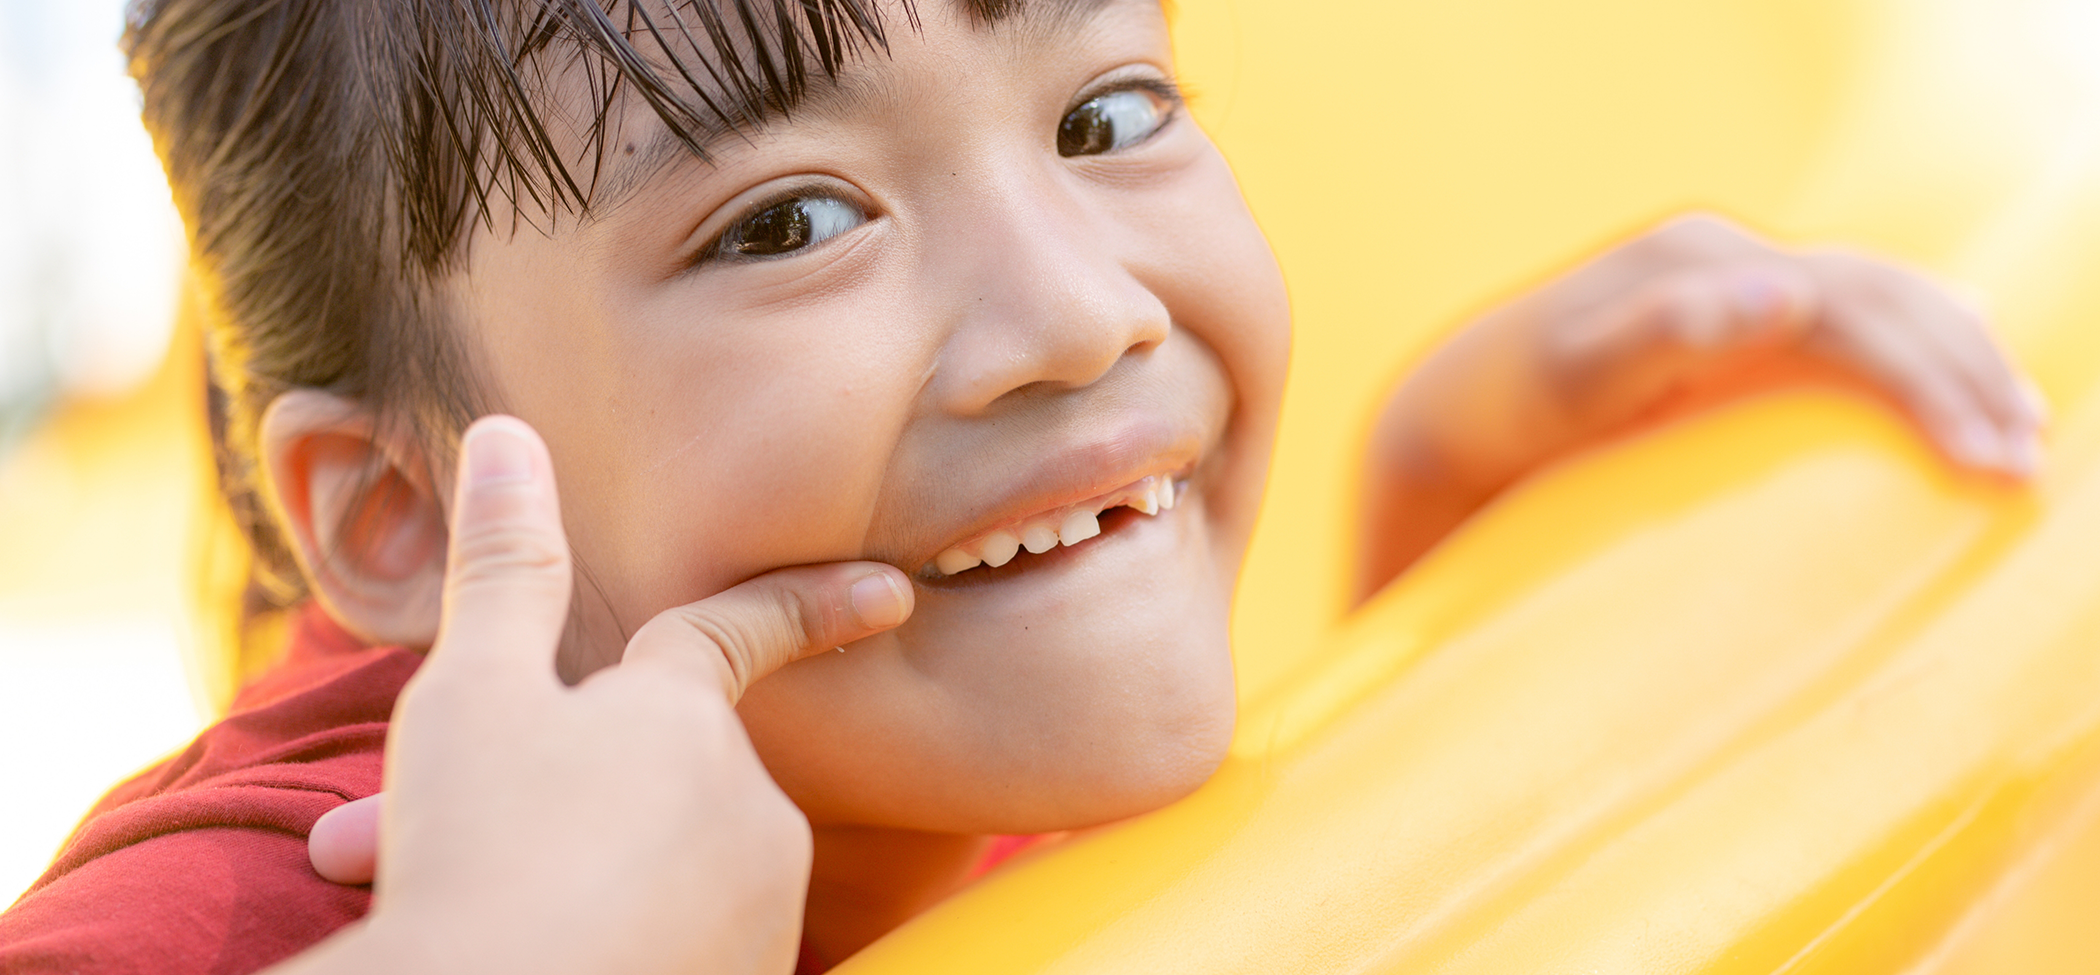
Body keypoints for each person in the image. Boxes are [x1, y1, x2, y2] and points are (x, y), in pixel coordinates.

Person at [0, 0, 2043, 972]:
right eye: (790, 223)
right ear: (402, 517)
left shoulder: (905, 711)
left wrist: (1448, 594)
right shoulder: (264, 907)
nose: (1081, 312)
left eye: (1112, 108)